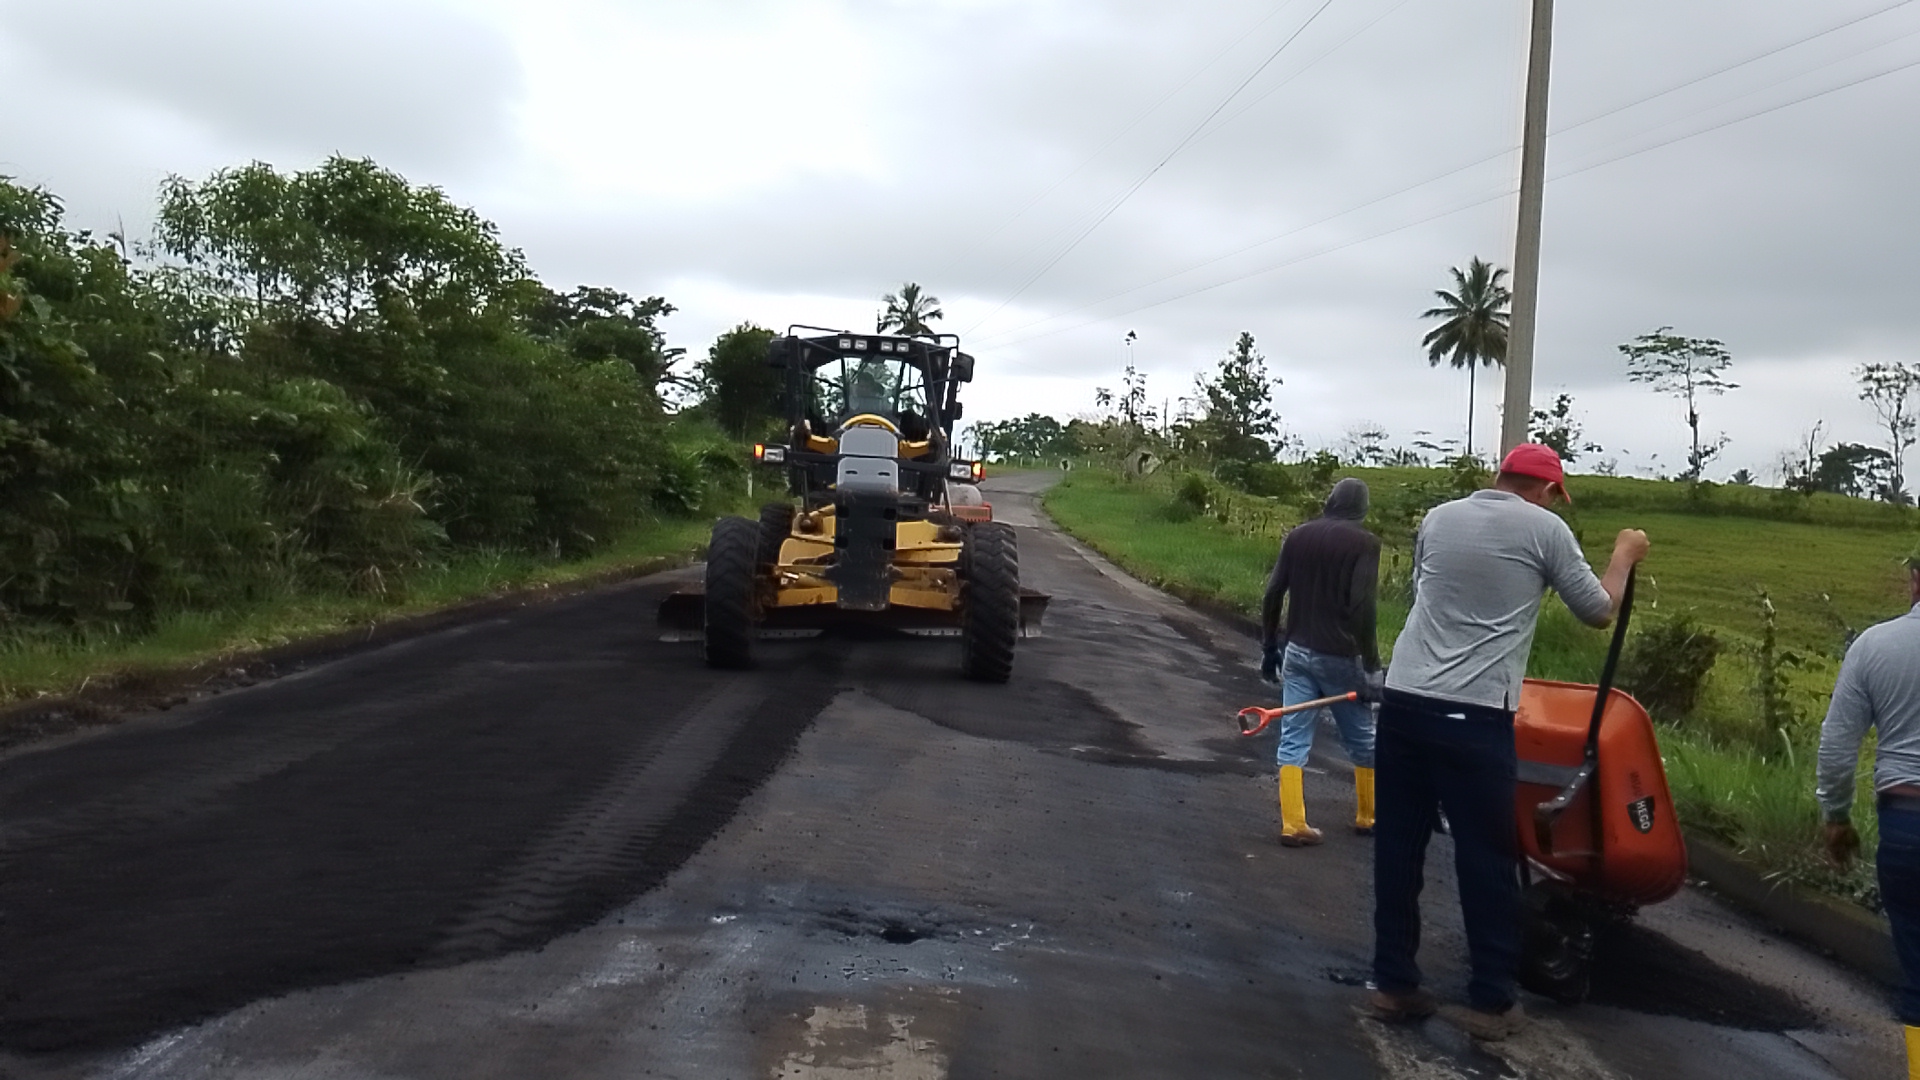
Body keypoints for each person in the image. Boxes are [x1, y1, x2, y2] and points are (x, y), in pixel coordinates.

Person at [1367, 443, 1647, 1041]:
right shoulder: (1545, 530)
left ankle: (1392, 983)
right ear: (1547, 491)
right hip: (1473, 716)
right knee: (1487, 856)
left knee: (1398, 847)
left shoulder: (1439, 517)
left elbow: (1428, 591)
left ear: (1500, 476)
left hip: (1404, 700)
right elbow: (1598, 611)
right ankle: (1492, 999)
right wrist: (1624, 555)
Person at [1816, 552, 1920, 1078]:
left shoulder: (1876, 645)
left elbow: (1837, 746)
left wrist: (1836, 816)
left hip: (1907, 827)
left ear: (1915, 579)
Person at [1260, 478, 1382, 847]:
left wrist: (1269, 646)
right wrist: (1371, 665)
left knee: (1293, 737)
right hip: (1340, 655)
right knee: (1363, 739)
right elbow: (1362, 608)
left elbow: (1272, 593)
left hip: (1297, 651)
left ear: (1330, 502)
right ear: (1362, 509)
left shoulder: (1299, 535)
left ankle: (1293, 822)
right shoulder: (1365, 543)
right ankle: (1369, 815)